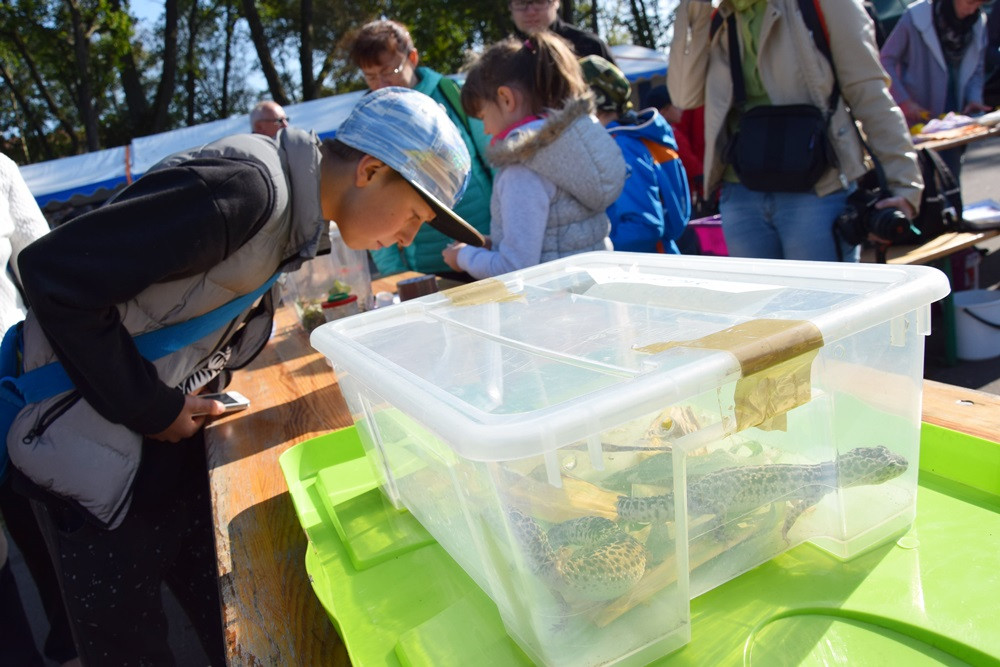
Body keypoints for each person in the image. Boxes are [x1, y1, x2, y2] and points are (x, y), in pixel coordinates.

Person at [5, 87, 480, 665]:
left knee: (224, 620)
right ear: (372, 170)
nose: (409, 238)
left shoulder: (291, 214)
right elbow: (52, 272)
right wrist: (154, 408)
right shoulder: (246, 186)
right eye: (414, 216)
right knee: (128, 647)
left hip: (151, 452)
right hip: (89, 461)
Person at [668, 0, 923, 262]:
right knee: (759, 304)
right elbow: (683, 96)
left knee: (826, 302)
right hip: (741, 192)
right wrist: (693, 9)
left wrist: (903, 187)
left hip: (817, 190)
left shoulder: (826, 5)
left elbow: (870, 95)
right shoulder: (718, 16)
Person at [442, 33, 625, 279]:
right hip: (594, 296)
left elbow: (514, 269)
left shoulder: (523, 168)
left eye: (483, 116)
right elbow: (557, 230)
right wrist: (493, 244)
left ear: (506, 99)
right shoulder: (572, 148)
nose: (485, 129)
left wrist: (463, 257)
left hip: (552, 309)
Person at [0, 152, 79, 667]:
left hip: (9, 384)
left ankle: (68, 640)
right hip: (11, 386)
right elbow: (46, 267)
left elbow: (41, 263)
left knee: (35, 516)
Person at [348, 19, 493, 280]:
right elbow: (366, 201)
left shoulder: (452, 94)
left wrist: (505, 236)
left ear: (412, 57)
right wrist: (397, 274)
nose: (381, 84)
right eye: (371, 77)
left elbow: (495, 161)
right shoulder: (368, 122)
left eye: (389, 71)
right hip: (424, 268)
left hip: (483, 248)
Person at [581, 56, 691, 253]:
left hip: (643, 269)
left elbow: (644, 227)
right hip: (662, 257)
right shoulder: (642, 137)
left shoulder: (621, 147)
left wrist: (593, 251)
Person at [880, 0, 992, 178]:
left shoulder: (977, 21)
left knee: (951, 177)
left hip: (953, 113)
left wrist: (973, 98)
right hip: (918, 115)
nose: (971, 10)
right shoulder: (916, 16)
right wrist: (904, 101)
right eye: (969, 3)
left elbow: (977, 67)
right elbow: (886, 60)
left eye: (977, 5)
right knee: (926, 180)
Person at [641, 85, 714, 218]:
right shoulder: (670, 136)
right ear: (664, 111)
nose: (681, 110)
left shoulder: (646, 135)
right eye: (676, 106)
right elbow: (692, 167)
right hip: (680, 202)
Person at [509, 0, 616, 63]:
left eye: (539, 2)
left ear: (556, 2)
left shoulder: (590, 47)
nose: (531, 12)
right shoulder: (503, 57)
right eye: (521, 3)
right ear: (510, 7)